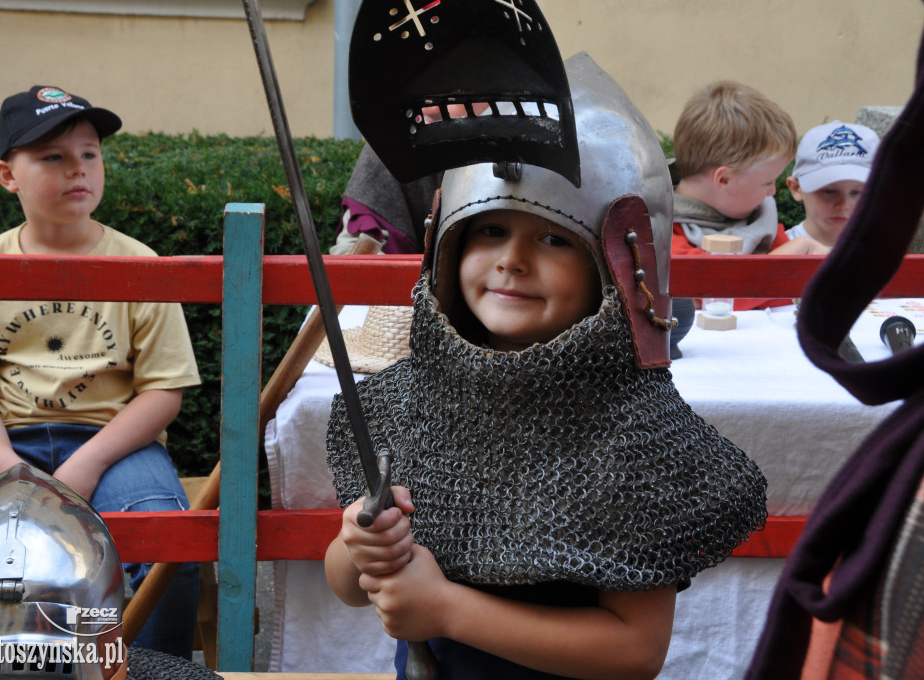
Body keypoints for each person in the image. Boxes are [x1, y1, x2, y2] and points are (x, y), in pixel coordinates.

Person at [323, 52, 768, 680]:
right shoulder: (406, 404)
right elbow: (345, 584)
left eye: (554, 238)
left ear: (617, 268)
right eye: (489, 231)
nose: (512, 260)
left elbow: (635, 652)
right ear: (445, 245)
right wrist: (359, 542)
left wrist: (447, 609)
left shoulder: (632, 439)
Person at [0, 85, 201, 660]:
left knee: (169, 546)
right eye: (52, 157)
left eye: (89, 153)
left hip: (113, 445)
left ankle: (159, 672)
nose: (77, 169)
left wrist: (85, 464)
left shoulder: (141, 266)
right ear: (7, 175)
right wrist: (16, 477)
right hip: (3, 445)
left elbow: (163, 392)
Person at [670, 80, 830, 312]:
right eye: (767, 182)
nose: (772, 192)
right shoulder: (661, 228)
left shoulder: (758, 216)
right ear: (724, 179)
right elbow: (708, 291)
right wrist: (798, 250)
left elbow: (795, 288)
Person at [784, 120, 880, 248]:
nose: (844, 205)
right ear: (797, 188)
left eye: (857, 192)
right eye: (829, 191)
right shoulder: (776, 250)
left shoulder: (885, 254)